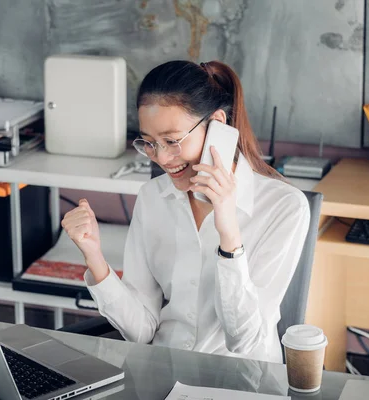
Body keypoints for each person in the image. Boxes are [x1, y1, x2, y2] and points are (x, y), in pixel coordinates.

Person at [60, 60, 310, 363]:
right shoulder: (153, 198)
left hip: (242, 382)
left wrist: (228, 231)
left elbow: (245, 341)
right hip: (165, 373)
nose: (162, 158)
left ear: (217, 123)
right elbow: (140, 331)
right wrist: (93, 256)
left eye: (172, 141)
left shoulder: (284, 207)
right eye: (149, 143)